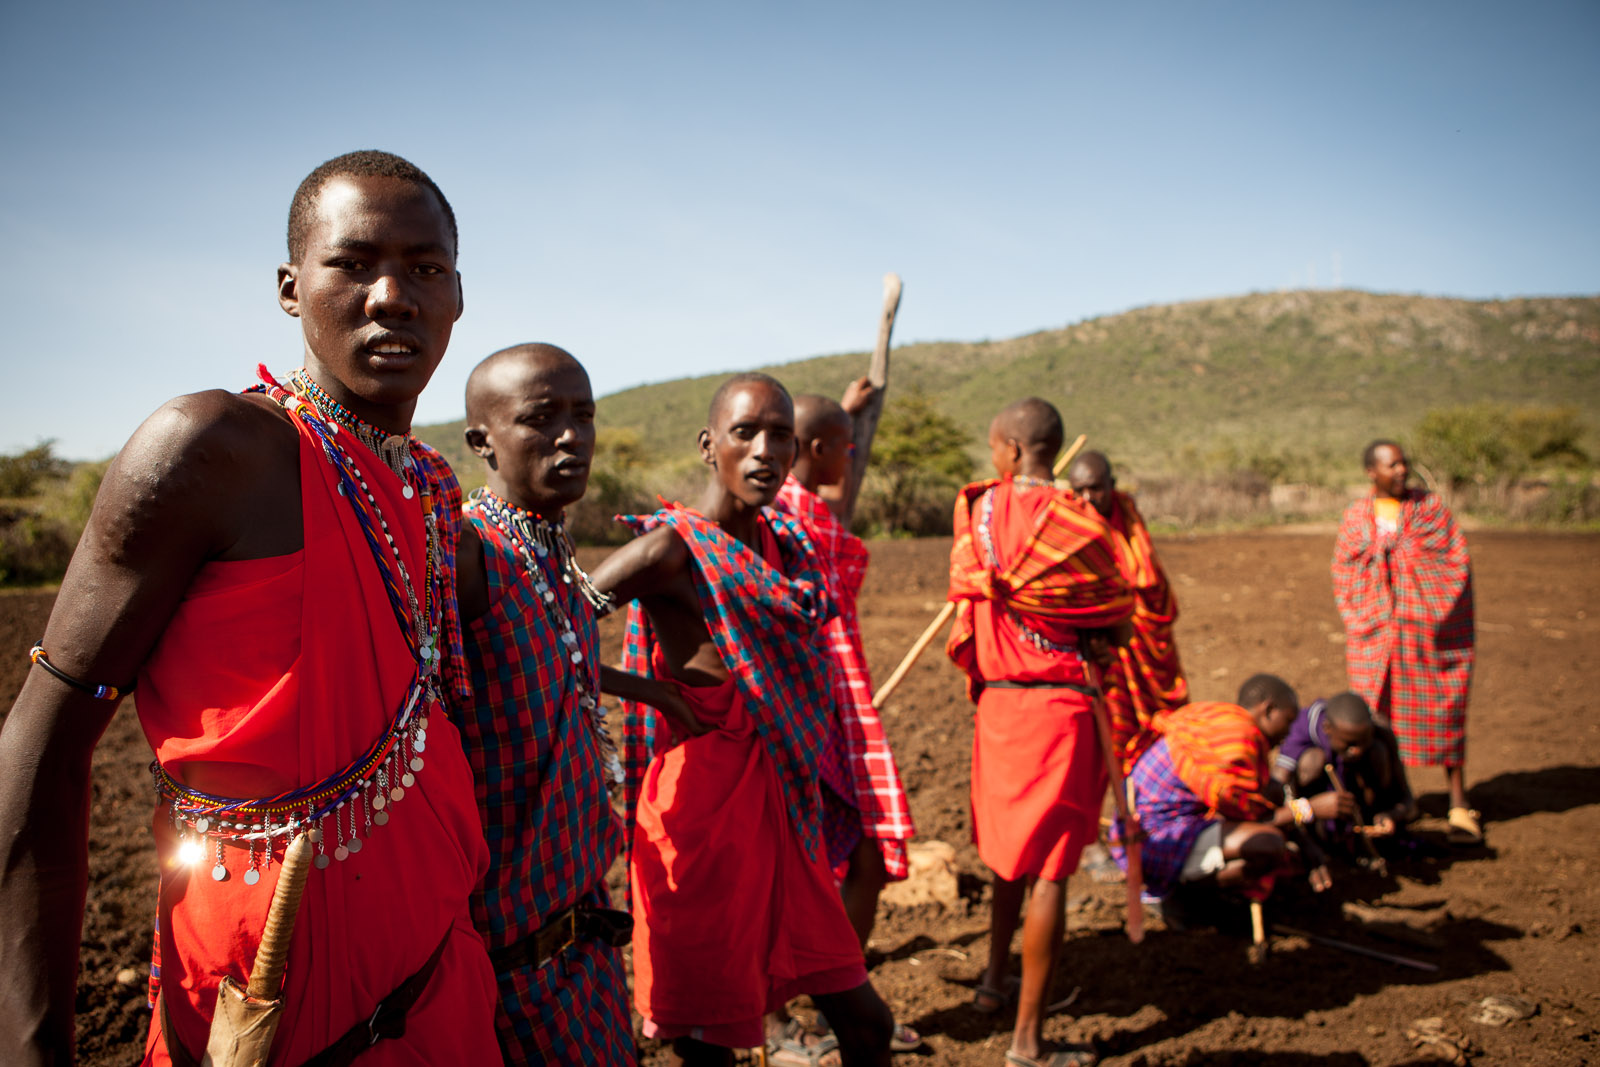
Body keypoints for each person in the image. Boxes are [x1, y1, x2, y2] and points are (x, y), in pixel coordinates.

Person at [0, 151, 501, 1066]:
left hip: (443, 990)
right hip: (259, 1015)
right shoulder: (212, 450)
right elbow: (41, 742)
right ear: (288, 286)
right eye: (353, 263)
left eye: (424, 267)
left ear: (457, 295)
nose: (393, 294)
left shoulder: (430, 490)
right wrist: (32, 1046)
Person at [590, 373, 894, 1067]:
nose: (765, 450)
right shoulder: (671, 549)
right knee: (709, 1045)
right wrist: (653, 693)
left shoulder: (789, 547)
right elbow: (547, 625)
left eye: (780, 434)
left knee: (867, 1025)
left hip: (785, 808)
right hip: (702, 818)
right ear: (709, 445)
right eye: (745, 432)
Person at [455, 343, 634, 1064]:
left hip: (581, 935)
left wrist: (654, 691)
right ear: (482, 442)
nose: (571, 435)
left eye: (583, 416)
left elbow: (558, 663)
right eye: (541, 418)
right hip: (502, 967)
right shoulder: (469, 554)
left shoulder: (548, 549)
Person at [945, 398, 1134, 1067]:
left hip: (999, 709)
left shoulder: (978, 513)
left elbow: (969, 592)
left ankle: (996, 986)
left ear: (1008, 446)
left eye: (992, 445)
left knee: (1007, 858)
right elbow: (1119, 618)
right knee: (1051, 873)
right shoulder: (1079, 525)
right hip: (1060, 713)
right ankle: (1028, 1044)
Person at [773, 384, 920, 1054]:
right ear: (817, 449)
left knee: (859, 849)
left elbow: (837, 495)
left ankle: (836, 992)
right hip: (811, 709)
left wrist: (852, 411)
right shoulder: (785, 517)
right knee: (832, 853)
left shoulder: (800, 508)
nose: (853, 456)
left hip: (832, 703)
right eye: (845, 445)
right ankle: (791, 1008)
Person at [1332, 440, 1478, 843]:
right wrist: (1371, 607)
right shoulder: (1357, 518)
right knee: (1373, 720)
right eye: (1391, 465)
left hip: (1426, 633)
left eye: (1403, 463)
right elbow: (1345, 571)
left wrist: (1404, 567)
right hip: (1374, 635)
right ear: (1371, 472)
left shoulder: (1430, 512)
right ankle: (1389, 801)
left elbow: (1453, 564)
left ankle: (1459, 803)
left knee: (1444, 708)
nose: (1401, 470)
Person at [1111, 675, 1355, 904]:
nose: (1288, 733)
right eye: (1289, 721)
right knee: (1267, 844)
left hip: (1136, 826)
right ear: (1269, 710)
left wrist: (1304, 841)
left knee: (1271, 793)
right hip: (1151, 840)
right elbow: (1255, 818)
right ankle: (1184, 897)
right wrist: (1307, 809)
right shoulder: (1241, 738)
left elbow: (1259, 800)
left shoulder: (1224, 719)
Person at [1066, 451, 1189, 771]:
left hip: (1144, 641)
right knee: (1115, 728)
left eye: (1095, 488)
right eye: (1078, 490)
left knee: (1164, 727)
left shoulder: (1129, 522)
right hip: (1107, 650)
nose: (1087, 498)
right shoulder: (1070, 527)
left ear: (1112, 485)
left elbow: (1152, 587)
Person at [1271, 691, 1417, 838]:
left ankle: (1366, 824)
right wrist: (1306, 809)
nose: (1357, 751)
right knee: (1312, 760)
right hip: (1316, 811)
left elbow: (1407, 799)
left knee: (1377, 752)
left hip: (1363, 808)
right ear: (1327, 729)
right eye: (1349, 744)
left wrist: (1391, 815)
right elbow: (1277, 784)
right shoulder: (1303, 726)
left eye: (1363, 741)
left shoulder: (1380, 730)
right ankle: (1314, 835)